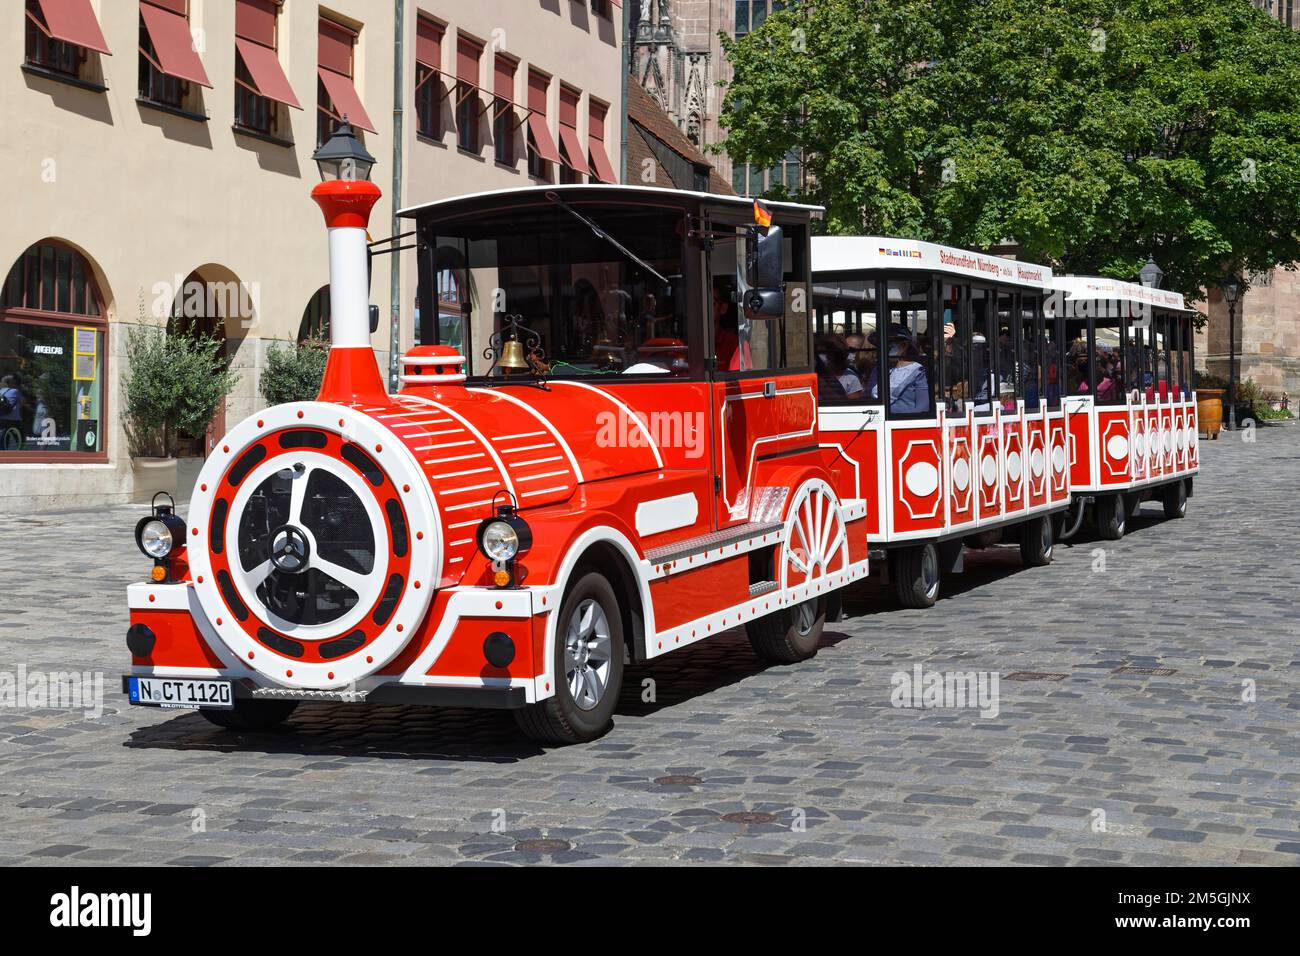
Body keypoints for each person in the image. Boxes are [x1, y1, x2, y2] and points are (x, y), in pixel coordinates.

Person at [867, 324, 930, 415]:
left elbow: (922, 408)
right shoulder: (878, 369)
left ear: (904, 346)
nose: (884, 349)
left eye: (889, 345)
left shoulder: (919, 371)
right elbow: (867, 397)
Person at [713, 278, 751, 371]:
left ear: (723, 308)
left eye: (712, 303)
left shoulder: (737, 345)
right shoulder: (685, 345)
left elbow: (739, 382)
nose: (704, 308)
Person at [815, 333, 863, 400]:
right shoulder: (817, 374)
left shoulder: (851, 377)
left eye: (824, 353)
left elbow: (850, 404)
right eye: (819, 353)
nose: (821, 357)